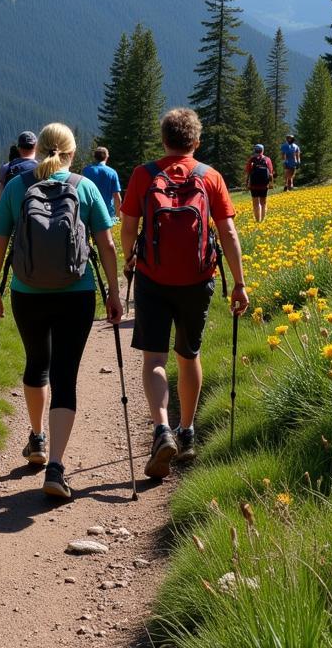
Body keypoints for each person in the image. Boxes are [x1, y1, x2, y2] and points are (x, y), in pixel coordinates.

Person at [0, 123, 123, 500]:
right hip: (76, 293)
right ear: (71, 153)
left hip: (27, 292)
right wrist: (113, 292)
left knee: (36, 364)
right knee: (65, 375)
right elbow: (107, 245)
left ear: (38, 149)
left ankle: (37, 437)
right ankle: (57, 467)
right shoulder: (85, 186)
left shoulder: (17, 187)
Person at [120, 108, 249, 479]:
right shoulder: (210, 177)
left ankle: (161, 428)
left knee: (154, 359)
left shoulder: (144, 175)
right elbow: (228, 234)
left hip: (152, 278)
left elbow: (129, 225)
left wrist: (130, 259)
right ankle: (187, 432)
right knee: (188, 354)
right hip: (198, 278)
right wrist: (239, 283)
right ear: (196, 141)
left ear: (164, 140)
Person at [0, 130, 38, 206]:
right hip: (37, 214)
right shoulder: (43, 168)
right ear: (36, 147)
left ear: (18, 148)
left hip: (14, 214)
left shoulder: (6, 168)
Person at [82, 146, 123, 223]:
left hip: (89, 214)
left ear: (95, 157)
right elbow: (117, 197)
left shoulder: (86, 171)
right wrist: (118, 216)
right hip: (108, 215)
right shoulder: (112, 172)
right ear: (106, 157)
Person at [244, 143, 274, 222]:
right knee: (263, 203)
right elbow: (270, 173)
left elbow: (247, 172)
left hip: (254, 184)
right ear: (262, 150)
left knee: (255, 203)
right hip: (264, 184)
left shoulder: (251, 159)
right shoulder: (267, 159)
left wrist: (246, 184)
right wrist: (271, 184)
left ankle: (258, 220)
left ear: (255, 150)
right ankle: (262, 220)